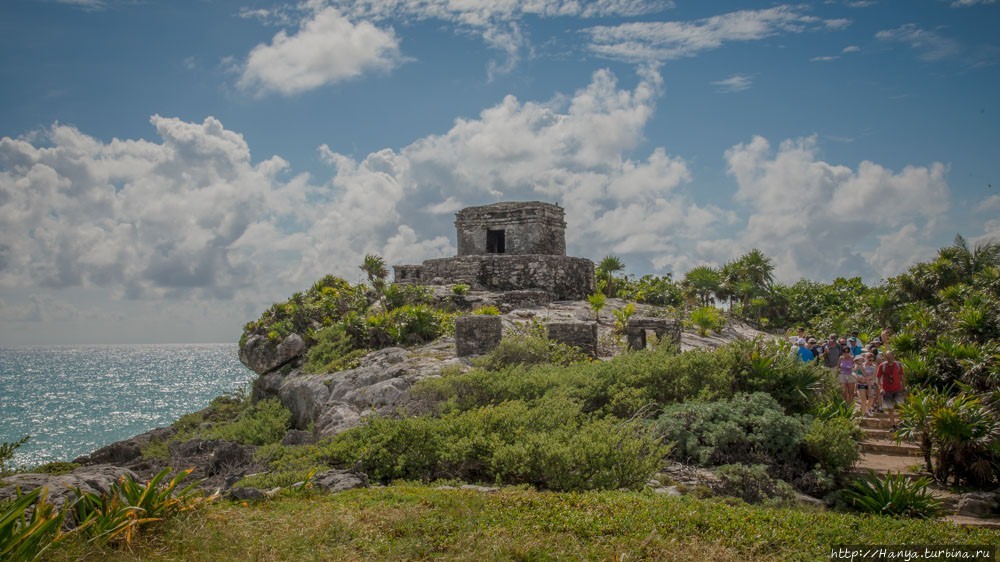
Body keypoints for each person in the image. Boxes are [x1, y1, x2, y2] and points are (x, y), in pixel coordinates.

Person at [876, 350, 906, 429]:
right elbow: (878, 378)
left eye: (890, 357)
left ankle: (901, 423)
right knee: (890, 408)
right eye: (887, 358)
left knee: (901, 406)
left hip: (897, 388)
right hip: (886, 389)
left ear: (893, 356)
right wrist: (880, 388)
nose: (889, 359)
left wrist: (904, 387)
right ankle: (893, 425)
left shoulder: (898, 365)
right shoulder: (882, 365)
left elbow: (902, 377)